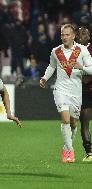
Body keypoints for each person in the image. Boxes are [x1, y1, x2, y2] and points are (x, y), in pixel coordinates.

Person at [40, 24, 92, 163]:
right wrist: (45, 78)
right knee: (65, 119)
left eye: (67, 34)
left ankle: (66, 146)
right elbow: (52, 66)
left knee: (73, 123)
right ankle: (69, 151)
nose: (64, 37)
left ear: (73, 36)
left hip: (76, 92)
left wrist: (82, 67)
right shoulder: (55, 51)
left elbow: (91, 69)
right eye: (62, 34)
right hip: (60, 89)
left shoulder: (82, 50)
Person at [76, 27, 92, 162]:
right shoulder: (74, 51)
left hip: (87, 86)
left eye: (85, 32)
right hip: (84, 91)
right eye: (81, 33)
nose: (83, 35)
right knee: (85, 123)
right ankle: (89, 152)